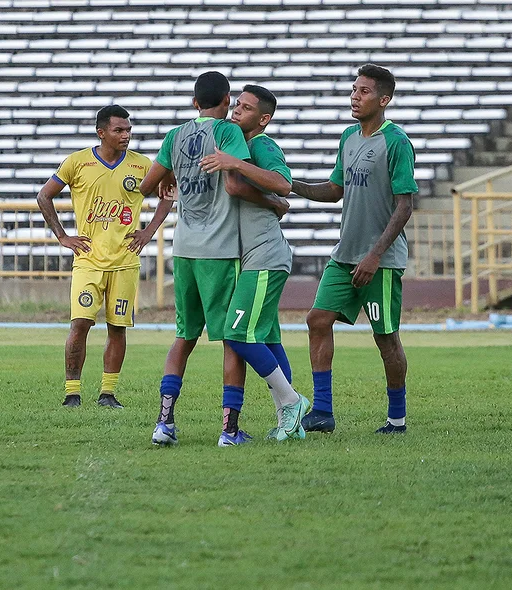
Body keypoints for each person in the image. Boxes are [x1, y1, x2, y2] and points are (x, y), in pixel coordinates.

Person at [140, 71, 287, 446]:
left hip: (184, 248)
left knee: (183, 338)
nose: (235, 108)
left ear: (194, 103)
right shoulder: (227, 133)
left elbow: (146, 186)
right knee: (230, 340)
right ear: (224, 102)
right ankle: (229, 431)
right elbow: (235, 182)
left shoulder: (175, 135)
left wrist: (168, 181)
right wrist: (274, 204)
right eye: (233, 102)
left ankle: (164, 424)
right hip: (220, 251)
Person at [290, 64, 418, 435]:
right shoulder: (349, 137)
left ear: (384, 99)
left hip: (380, 260)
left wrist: (375, 255)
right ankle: (323, 412)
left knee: (385, 337)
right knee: (317, 319)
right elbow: (335, 190)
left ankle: (397, 419)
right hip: (344, 255)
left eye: (363, 91)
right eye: (353, 90)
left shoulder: (396, 142)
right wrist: (291, 185)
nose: (354, 97)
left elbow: (404, 205)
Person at [199, 84, 307, 444]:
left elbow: (283, 183)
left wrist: (234, 163)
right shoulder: (239, 145)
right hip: (252, 257)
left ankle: (292, 401)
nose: (235, 112)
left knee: (236, 333)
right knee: (269, 338)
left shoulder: (261, 145)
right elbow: (238, 190)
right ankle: (289, 424)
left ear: (263, 119)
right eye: (236, 105)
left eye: (245, 109)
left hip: (265, 256)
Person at [37, 105, 159, 409]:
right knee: (80, 324)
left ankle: (108, 393)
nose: (126, 135)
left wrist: (148, 232)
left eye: (129, 130)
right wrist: (63, 237)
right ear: (101, 132)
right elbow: (44, 195)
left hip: (125, 262)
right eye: (119, 130)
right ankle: (72, 393)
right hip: (89, 260)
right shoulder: (77, 163)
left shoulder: (142, 165)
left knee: (117, 327)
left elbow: (169, 192)